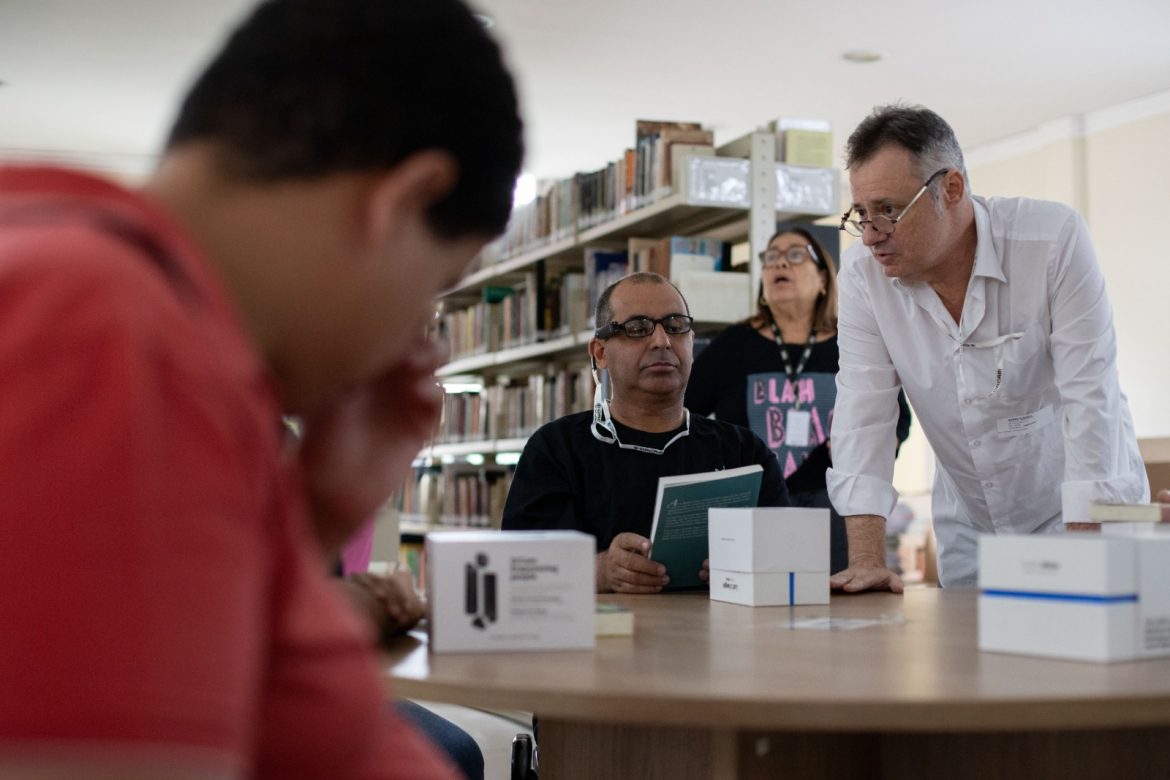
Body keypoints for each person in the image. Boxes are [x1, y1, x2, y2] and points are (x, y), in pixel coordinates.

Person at [0, 0, 523, 778]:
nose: (420, 336)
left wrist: (306, 522)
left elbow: (265, 708)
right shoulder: (112, 337)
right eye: (438, 288)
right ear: (401, 202)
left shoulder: (163, 336)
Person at [826, 104, 1147, 591]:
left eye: (889, 210)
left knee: (1086, 653)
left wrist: (1085, 556)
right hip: (971, 515)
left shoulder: (1051, 240)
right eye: (861, 214)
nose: (871, 235)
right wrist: (868, 558)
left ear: (951, 189)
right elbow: (863, 412)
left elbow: (1091, 395)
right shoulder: (862, 277)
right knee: (974, 662)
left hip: (1081, 502)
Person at [502, 272, 790, 593]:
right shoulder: (556, 450)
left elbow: (788, 559)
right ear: (600, 353)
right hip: (602, 638)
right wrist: (600, 571)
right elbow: (521, 567)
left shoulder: (744, 452)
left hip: (721, 636)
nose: (661, 340)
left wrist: (750, 566)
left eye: (675, 325)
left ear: (692, 342)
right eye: (638, 328)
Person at [686, 227, 911, 575]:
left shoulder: (852, 340)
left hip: (833, 505)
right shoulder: (733, 345)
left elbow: (896, 415)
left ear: (823, 278)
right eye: (771, 257)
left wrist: (875, 444)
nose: (780, 264)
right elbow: (686, 411)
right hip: (756, 506)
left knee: (838, 606)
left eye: (795, 255)